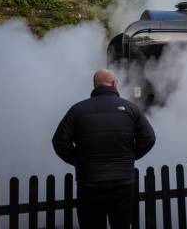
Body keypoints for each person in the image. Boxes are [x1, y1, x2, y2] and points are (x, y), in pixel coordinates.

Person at [52, 69, 156, 228]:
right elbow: (149, 139)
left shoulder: (77, 110)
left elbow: (59, 142)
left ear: (95, 85)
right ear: (114, 84)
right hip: (123, 183)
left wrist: (79, 161)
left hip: (89, 184)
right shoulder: (131, 109)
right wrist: (128, 158)